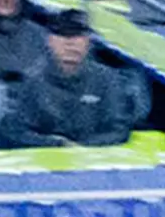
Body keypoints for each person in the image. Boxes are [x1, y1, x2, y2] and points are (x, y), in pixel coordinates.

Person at [8, 11, 145, 147]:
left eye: (78, 36)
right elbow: (16, 131)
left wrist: (83, 147)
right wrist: (56, 144)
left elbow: (119, 129)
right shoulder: (31, 80)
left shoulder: (107, 79)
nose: (71, 43)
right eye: (63, 35)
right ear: (50, 41)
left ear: (89, 41)